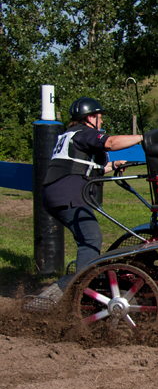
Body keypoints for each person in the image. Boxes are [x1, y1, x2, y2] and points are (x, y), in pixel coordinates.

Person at [39, 96, 143, 296]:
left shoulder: (70, 135)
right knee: (90, 238)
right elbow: (111, 143)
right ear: (89, 118)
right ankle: (81, 292)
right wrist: (142, 137)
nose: (101, 121)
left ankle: (84, 283)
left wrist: (114, 165)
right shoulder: (83, 133)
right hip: (67, 194)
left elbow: (82, 168)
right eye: (99, 117)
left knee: (88, 238)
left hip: (58, 193)